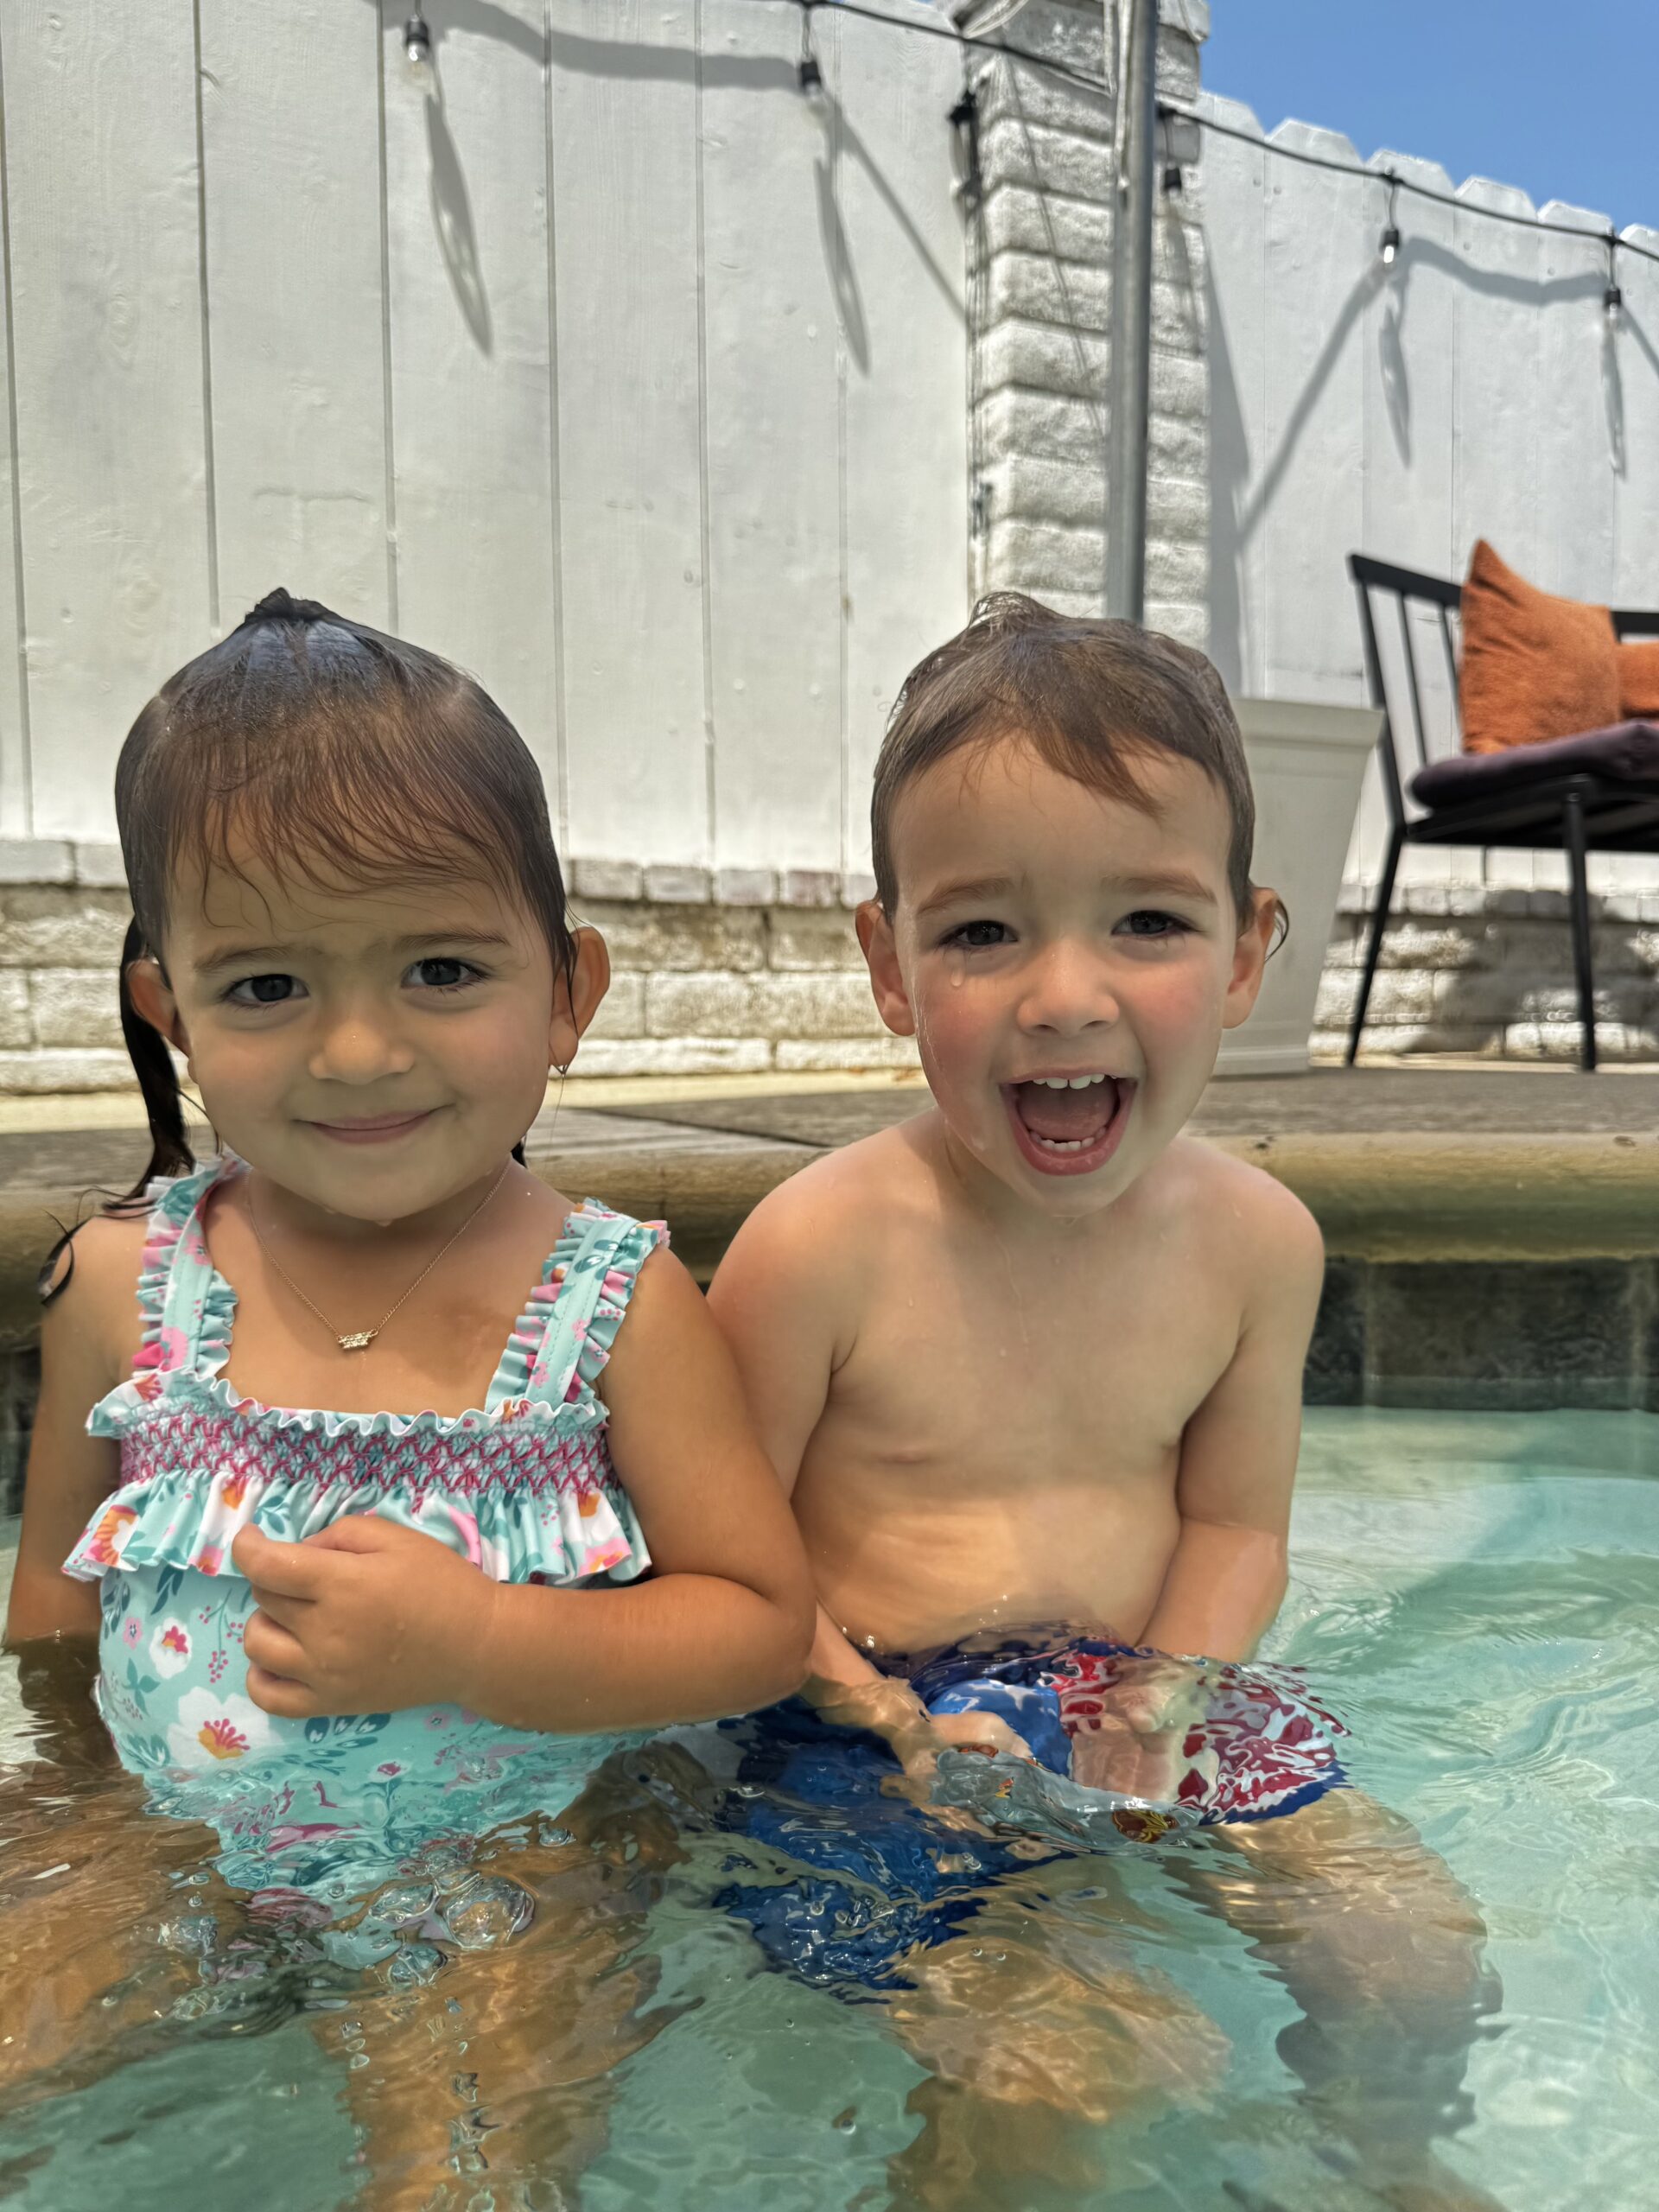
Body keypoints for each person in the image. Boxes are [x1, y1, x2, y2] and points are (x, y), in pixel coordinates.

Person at [2, 590, 813, 2204]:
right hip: (174, 1833)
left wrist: (483, 1646)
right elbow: (50, 1604)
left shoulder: (610, 1301)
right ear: (169, 1007)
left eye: (441, 968)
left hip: (511, 1857)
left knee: (465, 2170)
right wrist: (74, 1833)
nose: (361, 1052)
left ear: (568, 987)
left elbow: (757, 1621)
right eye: (266, 988)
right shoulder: (123, 1284)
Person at [706, 594, 1501, 2209]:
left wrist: (1177, 1687)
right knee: (1053, 2056)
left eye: (1146, 922)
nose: (1063, 994)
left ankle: (1383, 2163)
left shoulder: (1257, 1245)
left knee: (1416, 1945)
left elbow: (1234, 1527)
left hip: (1149, 1694)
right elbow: (714, 1562)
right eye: (983, 932)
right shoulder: (820, 1249)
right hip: (864, 1730)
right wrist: (878, 1714)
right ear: (888, 962)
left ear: (1249, 952)